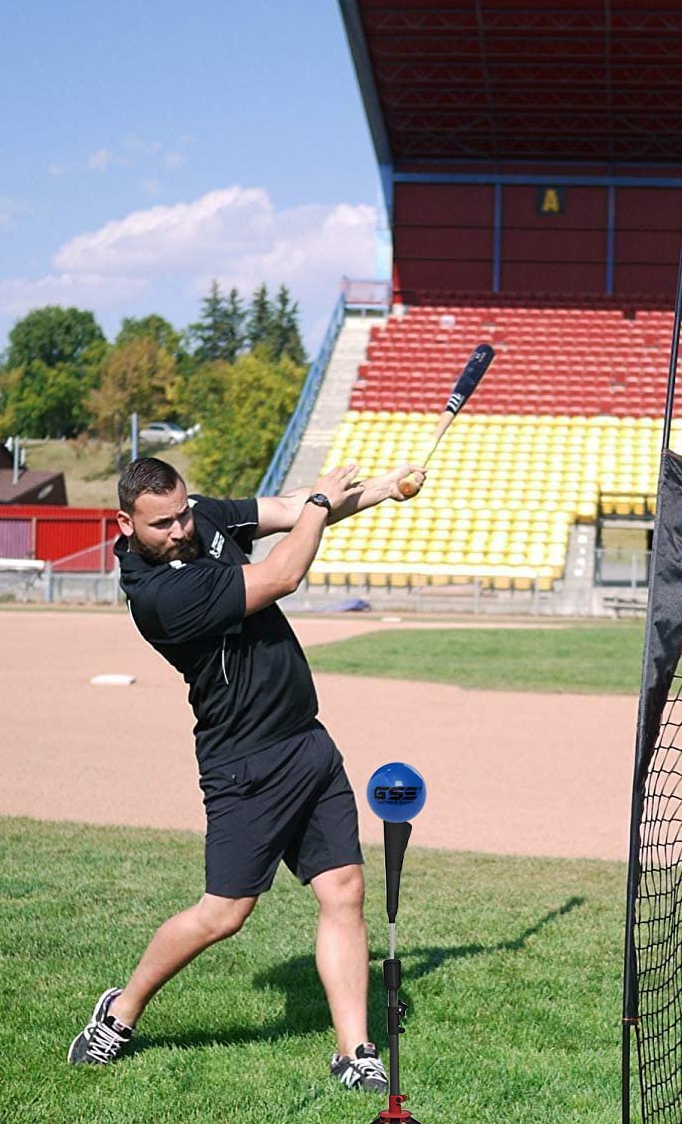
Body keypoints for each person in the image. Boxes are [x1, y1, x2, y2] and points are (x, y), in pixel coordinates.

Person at [67, 454, 426, 1090]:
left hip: (305, 741)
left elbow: (292, 509)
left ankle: (355, 1051)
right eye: (162, 524)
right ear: (125, 522)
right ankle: (118, 1014)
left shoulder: (198, 516)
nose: (181, 529)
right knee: (225, 913)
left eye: (182, 513)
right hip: (243, 762)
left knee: (343, 890)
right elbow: (284, 573)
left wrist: (383, 490)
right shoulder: (159, 598)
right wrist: (319, 504)